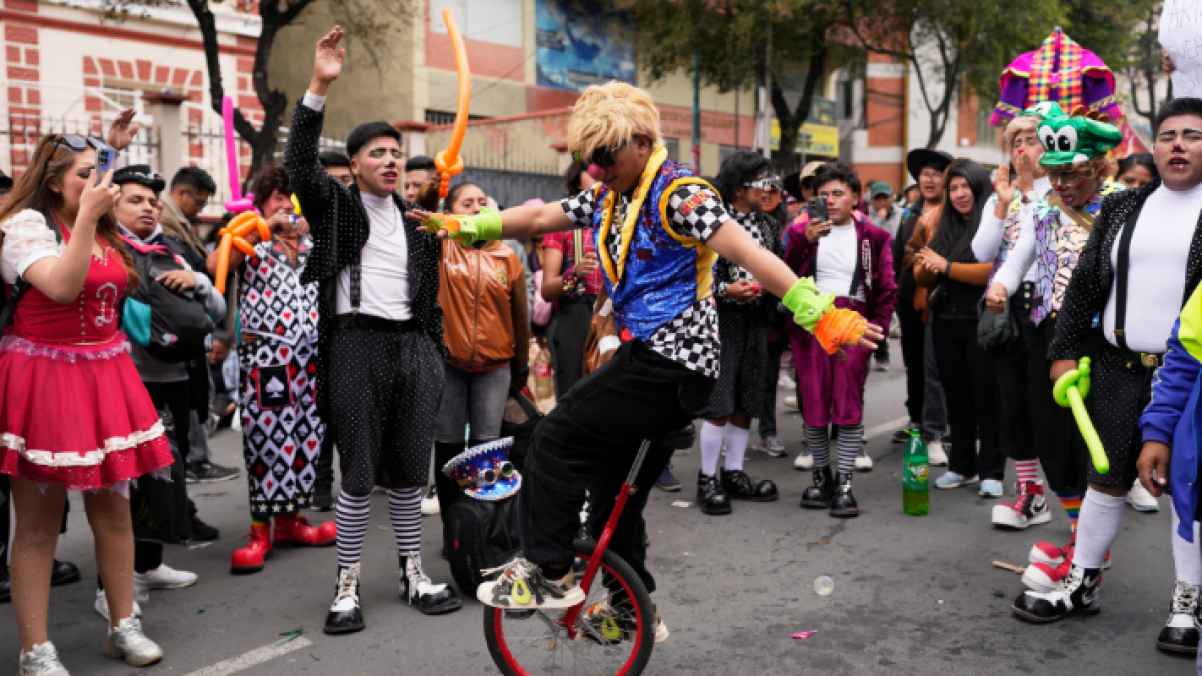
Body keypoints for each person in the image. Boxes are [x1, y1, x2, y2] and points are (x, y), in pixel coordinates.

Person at [408, 79, 881, 615]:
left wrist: (817, 309)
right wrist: (467, 226)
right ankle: (633, 610)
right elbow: (541, 218)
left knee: (554, 437)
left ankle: (550, 571)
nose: (598, 168)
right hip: (652, 358)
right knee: (616, 492)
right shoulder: (614, 194)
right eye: (590, 160)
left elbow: (746, 250)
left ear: (639, 140)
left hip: (673, 363)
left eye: (605, 156)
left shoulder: (682, 194)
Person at [286, 27, 461, 635]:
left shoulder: (420, 227)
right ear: (354, 165)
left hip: (413, 346)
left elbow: (432, 301)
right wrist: (319, 85)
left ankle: (413, 572)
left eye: (396, 153)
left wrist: (433, 353)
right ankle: (347, 582)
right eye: (377, 153)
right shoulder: (334, 207)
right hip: (355, 345)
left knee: (412, 468)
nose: (390, 161)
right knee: (358, 470)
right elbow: (299, 163)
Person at [1011, 100, 1200, 625]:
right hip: (1117, 365)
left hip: (1190, 375)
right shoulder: (1123, 207)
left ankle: (1189, 601)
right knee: (1106, 476)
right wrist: (1064, 351)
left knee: (1190, 483)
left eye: (1192, 135)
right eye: (1167, 135)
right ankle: (1081, 582)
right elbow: (1086, 287)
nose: (1178, 145)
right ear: (1152, 146)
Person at [1, 134, 172, 672]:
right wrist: (89, 218)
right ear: (52, 182)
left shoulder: (99, 227)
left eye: (101, 176)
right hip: (45, 377)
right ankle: (35, 649)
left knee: (114, 512)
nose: (99, 185)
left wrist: (111, 147)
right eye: (83, 175)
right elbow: (59, 285)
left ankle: (123, 624)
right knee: (38, 525)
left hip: (106, 374)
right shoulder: (25, 228)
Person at [109, 164, 229, 616]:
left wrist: (195, 281)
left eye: (152, 201)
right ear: (113, 203)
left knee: (167, 477)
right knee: (128, 486)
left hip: (175, 379)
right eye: (135, 200)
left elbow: (216, 308)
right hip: (127, 380)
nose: (147, 208)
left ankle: (150, 563)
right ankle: (114, 587)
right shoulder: (109, 251)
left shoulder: (168, 251)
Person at [206, 165, 336, 576]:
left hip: (312, 357)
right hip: (268, 360)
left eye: (290, 197)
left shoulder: (316, 245)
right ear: (261, 204)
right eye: (276, 197)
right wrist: (263, 225)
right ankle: (260, 529)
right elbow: (214, 264)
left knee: (307, 437)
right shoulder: (251, 241)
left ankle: (291, 521)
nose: (285, 205)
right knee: (268, 439)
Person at [786, 162, 897, 518]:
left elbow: (886, 288)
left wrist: (875, 330)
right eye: (823, 195)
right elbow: (784, 275)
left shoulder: (874, 237)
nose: (830, 201)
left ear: (855, 198)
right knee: (814, 404)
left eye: (838, 193)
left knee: (848, 406)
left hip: (853, 324)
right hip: (811, 323)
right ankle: (821, 477)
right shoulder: (801, 231)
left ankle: (845, 483)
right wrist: (804, 243)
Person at [973, 111, 1060, 529]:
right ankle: (1030, 493)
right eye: (1016, 141)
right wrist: (1004, 201)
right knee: (1013, 402)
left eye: (1032, 138)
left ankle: (1078, 502)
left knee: (1048, 405)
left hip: (1051, 308)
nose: (1024, 148)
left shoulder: (1060, 190)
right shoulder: (1001, 195)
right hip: (1008, 308)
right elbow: (981, 252)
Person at [432, 180, 529, 539]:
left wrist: (520, 369)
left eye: (480, 202)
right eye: (466, 203)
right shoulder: (441, 249)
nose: (474, 208)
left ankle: (489, 532)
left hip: (496, 367)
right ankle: (453, 532)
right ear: (451, 211)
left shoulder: (507, 256)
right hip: (449, 364)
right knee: (449, 447)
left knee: (488, 451)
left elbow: (520, 316)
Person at [695, 151, 783, 515]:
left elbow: (777, 265)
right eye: (760, 180)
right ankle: (707, 479)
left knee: (749, 397)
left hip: (757, 320)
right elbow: (695, 277)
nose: (767, 188)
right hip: (721, 321)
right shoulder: (712, 223)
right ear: (738, 185)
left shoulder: (768, 226)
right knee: (719, 400)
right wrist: (726, 291)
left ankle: (733, 473)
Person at [914, 160, 1002, 495]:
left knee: (987, 397)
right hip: (946, 320)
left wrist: (946, 267)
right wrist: (927, 267)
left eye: (965, 186)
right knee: (957, 397)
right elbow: (924, 272)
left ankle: (991, 469)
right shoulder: (944, 225)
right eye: (953, 188)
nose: (959, 194)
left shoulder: (993, 222)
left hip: (983, 320)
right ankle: (961, 466)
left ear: (979, 188)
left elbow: (993, 270)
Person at [890, 149, 951, 468]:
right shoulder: (907, 213)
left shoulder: (953, 212)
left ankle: (938, 430)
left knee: (938, 367)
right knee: (914, 362)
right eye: (924, 173)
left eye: (936, 174)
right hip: (909, 297)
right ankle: (916, 419)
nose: (929, 179)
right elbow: (899, 253)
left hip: (942, 298)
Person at [542, 159, 601, 398]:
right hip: (575, 316)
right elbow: (547, 289)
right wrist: (574, 273)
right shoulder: (563, 225)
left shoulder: (622, 223)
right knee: (574, 394)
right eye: (590, 186)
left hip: (614, 314)